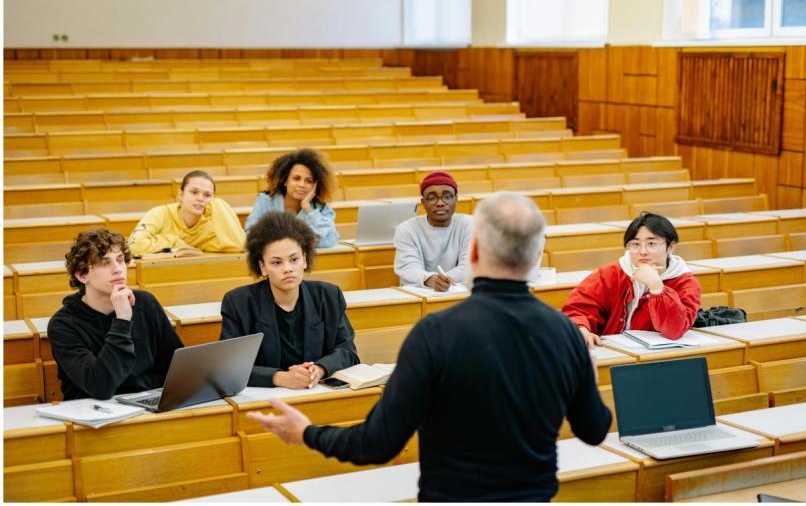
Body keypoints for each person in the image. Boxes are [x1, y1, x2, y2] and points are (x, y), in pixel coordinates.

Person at [248, 192, 612, 502]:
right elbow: (595, 430)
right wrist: (585, 375)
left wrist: (307, 433)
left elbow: (377, 443)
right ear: (536, 257)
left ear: (472, 252)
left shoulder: (436, 333)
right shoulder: (565, 333)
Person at [220, 211, 358, 388]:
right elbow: (229, 366)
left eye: (294, 259)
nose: (288, 269)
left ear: (304, 260)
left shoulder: (328, 296)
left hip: (315, 392)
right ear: (263, 267)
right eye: (277, 263)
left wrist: (319, 369)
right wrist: (278, 378)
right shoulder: (238, 303)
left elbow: (348, 352)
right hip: (264, 398)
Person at [47, 228, 183, 400]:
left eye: (120, 260)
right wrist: (122, 321)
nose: (118, 269)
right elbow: (101, 386)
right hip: (92, 411)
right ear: (82, 275)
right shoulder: (63, 325)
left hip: (145, 407)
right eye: (105, 263)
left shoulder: (145, 304)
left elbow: (178, 366)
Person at [562, 211, 702, 347]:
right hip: (612, 350)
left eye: (651, 244)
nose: (643, 251)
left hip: (657, 356)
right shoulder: (612, 273)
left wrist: (657, 288)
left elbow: (675, 330)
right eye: (635, 244)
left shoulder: (685, 283)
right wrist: (580, 327)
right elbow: (578, 308)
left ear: (670, 246)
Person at [127, 170, 245, 257]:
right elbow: (133, 247)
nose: (200, 198)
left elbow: (239, 246)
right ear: (181, 195)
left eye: (207, 195)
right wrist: (176, 242)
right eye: (194, 192)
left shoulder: (211, 227)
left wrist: (218, 204)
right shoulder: (160, 214)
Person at [393, 170, 472, 291]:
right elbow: (408, 267)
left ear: (456, 199)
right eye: (432, 198)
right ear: (423, 202)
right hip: (420, 292)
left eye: (447, 197)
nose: (440, 203)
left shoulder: (470, 224)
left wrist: (442, 281)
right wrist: (430, 279)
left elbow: (470, 265)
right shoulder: (406, 229)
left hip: (459, 291)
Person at [244, 148, 339, 248]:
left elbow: (330, 240)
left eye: (309, 181)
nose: (302, 185)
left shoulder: (320, 208)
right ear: (285, 181)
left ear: (315, 186)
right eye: (296, 178)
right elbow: (250, 234)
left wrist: (308, 208)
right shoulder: (265, 201)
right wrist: (304, 239)